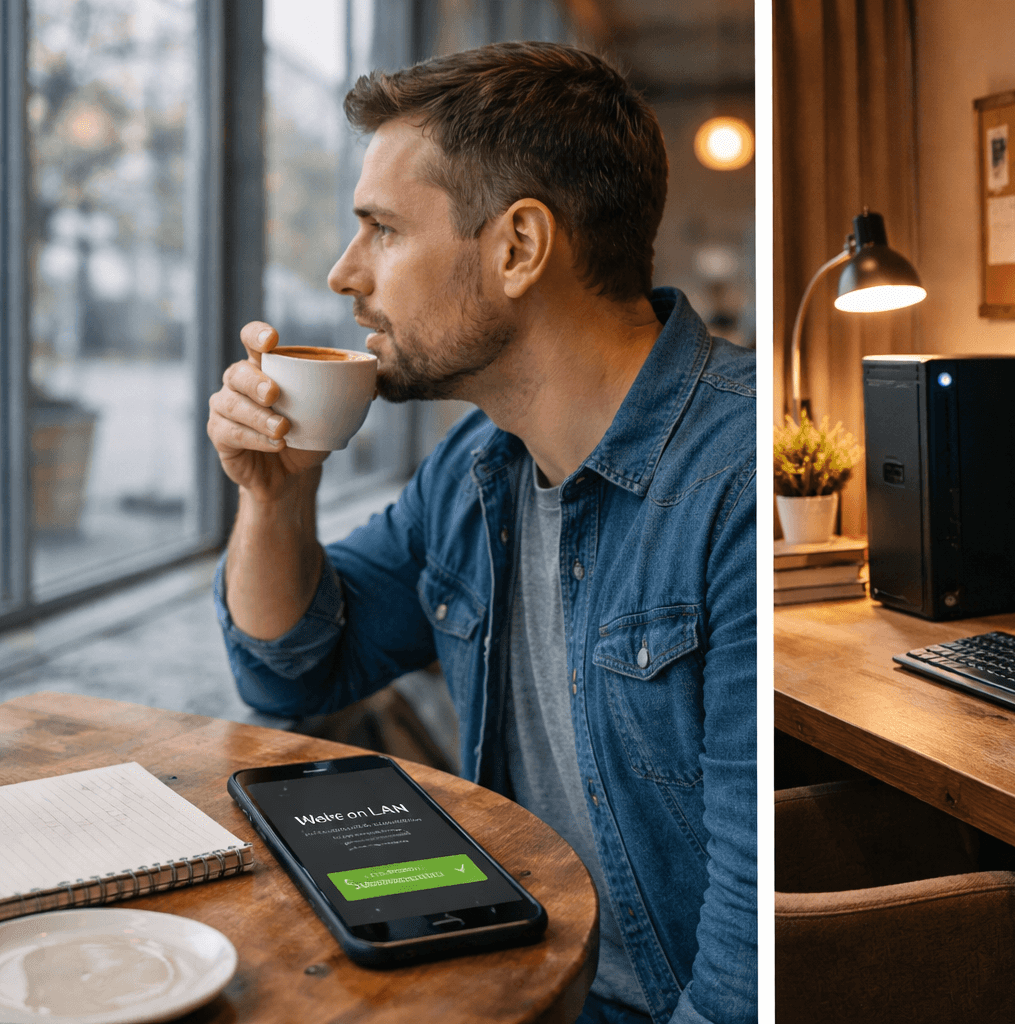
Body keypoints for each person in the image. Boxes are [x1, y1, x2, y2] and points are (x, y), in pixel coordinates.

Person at [206, 42, 755, 1024]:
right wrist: (276, 495)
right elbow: (293, 671)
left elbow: (745, 982)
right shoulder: (474, 469)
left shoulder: (737, 480)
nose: (343, 274)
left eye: (380, 229)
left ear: (518, 248)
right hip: (513, 979)